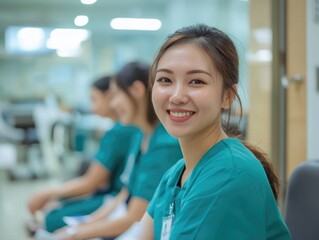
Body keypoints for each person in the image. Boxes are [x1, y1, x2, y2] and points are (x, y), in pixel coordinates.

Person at [140, 24, 291, 239]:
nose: (177, 96)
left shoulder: (229, 175)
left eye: (196, 81)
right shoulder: (175, 174)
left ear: (227, 96)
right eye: (165, 80)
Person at [46, 61, 183, 240]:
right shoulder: (140, 136)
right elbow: (124, 193)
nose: (113, 104)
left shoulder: (164, 145)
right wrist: (87, 223)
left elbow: (135, 217)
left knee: (54, 222)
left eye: (116, 95)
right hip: (124, 213)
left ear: (137, 90)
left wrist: (78, 233)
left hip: (144, 228)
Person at [28, 76, 138, 232]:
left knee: (52, 219)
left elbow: (91, 183)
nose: (92, 108)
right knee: (56, 208)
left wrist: (46, 194)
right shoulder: (127, 130)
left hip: (115, 197)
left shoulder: (119, 133)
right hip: (115, 194)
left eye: (94, 99)